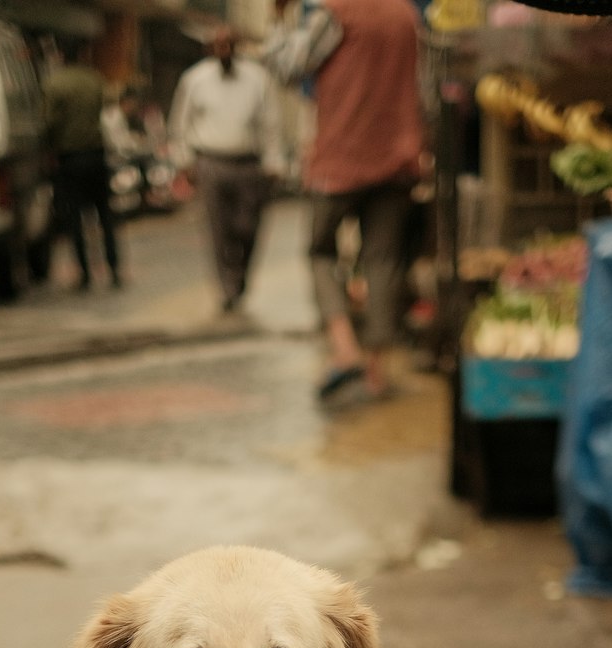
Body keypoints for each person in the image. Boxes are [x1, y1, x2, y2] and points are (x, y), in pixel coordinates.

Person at [263, 0, 424, 401]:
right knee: (383, 260)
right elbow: (427, 85)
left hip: (341, 159)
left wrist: (278, 23)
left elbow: (289, 67)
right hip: (398, 158)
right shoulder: (406, 14)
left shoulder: (335, 13)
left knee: (319, 251)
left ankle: (345, 349)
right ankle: (376, 369)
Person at [167, 27, 284, 314]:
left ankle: (241, 275)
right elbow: (179, 125)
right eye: (217, 45)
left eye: (228, 45)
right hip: (211, 163)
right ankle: (227, 286)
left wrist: (274, 162)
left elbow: (271, 125)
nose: (223, 50)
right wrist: (185, 163)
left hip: (249, 165)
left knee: (247, 227)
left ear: (236, 46)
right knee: (218, 230)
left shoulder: (258, 79)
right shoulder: (194, 79)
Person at [44, 37, 122, 291]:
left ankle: (85, 274)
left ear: (61, 56)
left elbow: (48, 122)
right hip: (96, 155)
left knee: (75, 219)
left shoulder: (55, 83)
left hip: (70, 158)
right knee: (105, 218)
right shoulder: (94, 80)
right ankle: (114, 269)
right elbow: (105, 106)